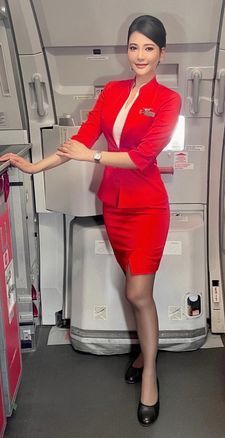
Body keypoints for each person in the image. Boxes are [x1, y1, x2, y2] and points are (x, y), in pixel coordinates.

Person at [0, 15, 181, 426]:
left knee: (138, 293)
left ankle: (150, 372)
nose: (140, 55)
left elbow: (141, 158)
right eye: (134, 47)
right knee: (134, 290)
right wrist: (32, 167)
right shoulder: (113, 92)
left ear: (161, 54)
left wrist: (94, 156)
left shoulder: (169, 100)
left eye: (148, 48)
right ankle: (143, 352)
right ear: (127, 50)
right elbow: (80, 139)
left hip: (149, 208)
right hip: (115, 206)